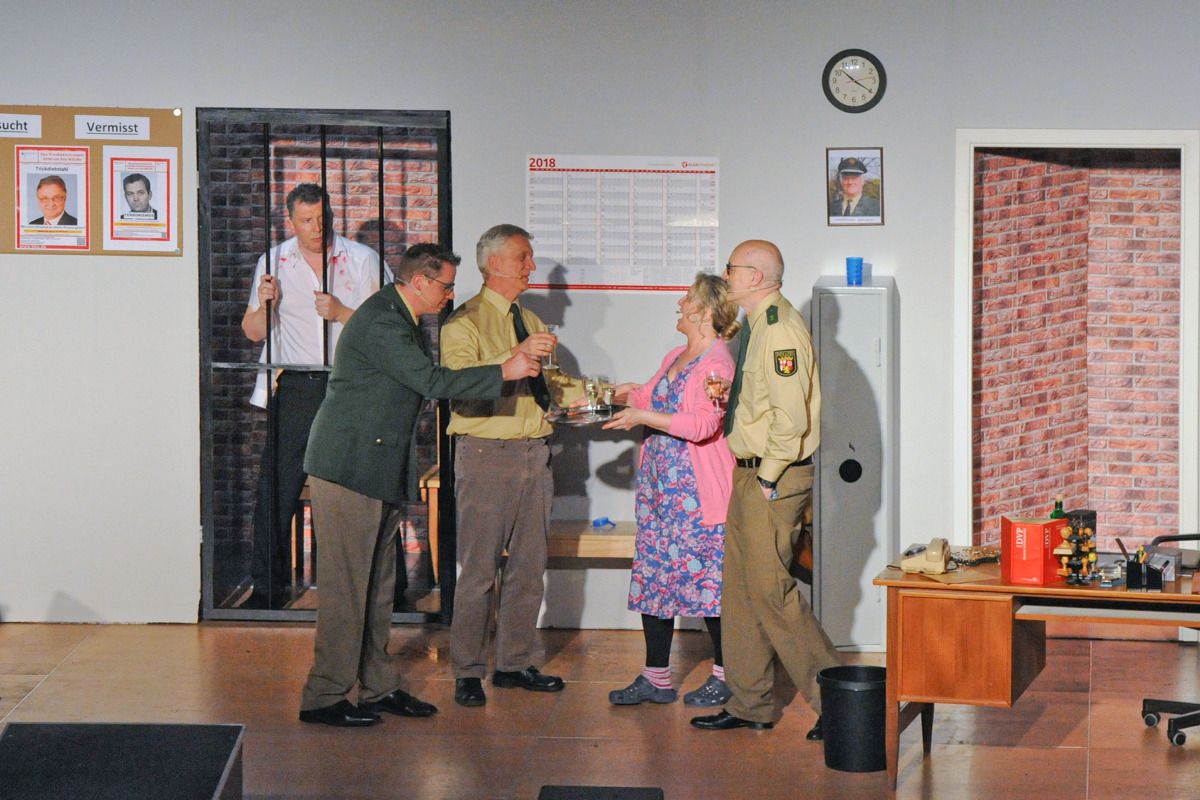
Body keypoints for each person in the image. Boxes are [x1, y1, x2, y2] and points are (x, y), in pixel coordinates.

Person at [298, 243, 541, 727]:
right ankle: (323, 696)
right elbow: (432, 382)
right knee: (348, 590)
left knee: (376, 588)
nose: (450, 295)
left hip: (375, 468)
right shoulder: (384, 321)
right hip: (349, 467)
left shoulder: (401, 317)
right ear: (420, 282)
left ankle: (377, 687)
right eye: (446, 286)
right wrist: (505, 370)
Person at [691, 239, 840, 740]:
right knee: (741, 593)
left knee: (773, 593)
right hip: (749, 471)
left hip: (770, 475)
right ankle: (749, 702)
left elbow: (791, 418)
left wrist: (769, 477)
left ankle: (837, 703)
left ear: (755, 277)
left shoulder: (779, 331)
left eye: (731, 268)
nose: (725, 276)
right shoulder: (757, 325)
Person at [440, 224, 583, 707]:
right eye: (523, 257)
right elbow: (459, 385)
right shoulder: (464, 323)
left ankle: (514, 663)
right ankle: (467, 669)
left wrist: (611, 395)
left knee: (528, 568)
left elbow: (555, 386)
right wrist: (515, 355)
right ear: (495, 262)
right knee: (479, 570)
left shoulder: (531, 320)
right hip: (487, 455)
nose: (531, 267)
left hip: (534, 454)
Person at [241, 183, 392, 609]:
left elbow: (391, 326)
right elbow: (253, 332)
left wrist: (342, 312)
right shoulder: (273, 261)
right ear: (290, 221)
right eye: (306, 220)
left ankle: (387, 590)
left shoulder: (362, 259)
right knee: (277, 485)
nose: (315, 227)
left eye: (322, 218)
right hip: (297, 385)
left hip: (351, 382)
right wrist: (265, 305)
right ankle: (267, 589)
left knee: (367, 480)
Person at [601, 273, 738, 706]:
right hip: (660, 493)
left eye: (687, 298)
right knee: (654, 581)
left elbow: (703, 425)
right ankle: (655, 678)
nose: (680, 303)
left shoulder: (717, 365)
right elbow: (649, 397)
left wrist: (643, 417)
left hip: (696, 498)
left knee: (711, 589)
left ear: (704, 311)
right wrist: (620, 396)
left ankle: (727, 676)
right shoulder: (676, 355)